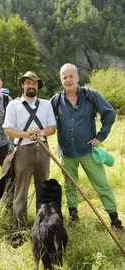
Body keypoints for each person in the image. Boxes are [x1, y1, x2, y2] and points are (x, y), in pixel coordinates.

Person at [51, 63, 123, 230]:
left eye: (71, 76)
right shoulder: (55, 100)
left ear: (77, 77)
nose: (68, 80)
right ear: (61, 80)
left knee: (102, 184)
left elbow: (110, 113)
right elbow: (42, 115)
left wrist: (100, 136)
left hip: (88, 151)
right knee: (70, 185)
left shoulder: (91, 95)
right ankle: (73, 215)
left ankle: (115, 219)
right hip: (67, 152)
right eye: (65, 77)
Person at [3, 71, 56, 229]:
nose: (31, 85)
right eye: (28, 83)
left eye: (34, 83)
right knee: (21, 190)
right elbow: (8, 130)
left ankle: (42, 225)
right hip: (23, 149)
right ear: (22, 85)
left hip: (43, 149)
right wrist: (28, 134)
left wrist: (40, 132)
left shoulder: (46, 104)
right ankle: (19, 228)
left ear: (37, 86)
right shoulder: (13, 105)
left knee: (43, 188)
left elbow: (52, 128)